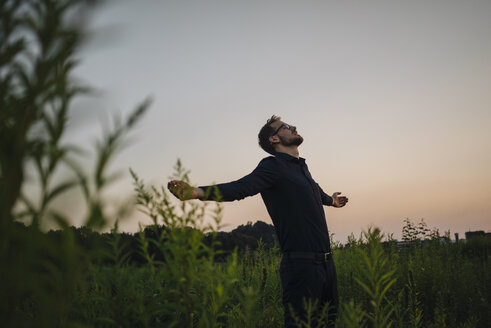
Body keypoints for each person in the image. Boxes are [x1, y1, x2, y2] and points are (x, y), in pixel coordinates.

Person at [168, 115, 348, 327]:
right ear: (274, 139)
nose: (293, 127)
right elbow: (240, 187)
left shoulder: (302, 169)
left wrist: (332, 202)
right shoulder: (272, 167)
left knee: (329, 323)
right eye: (285, 127)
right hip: (302, 267)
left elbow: (315, 191)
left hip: (327, 265)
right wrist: (197, 192)